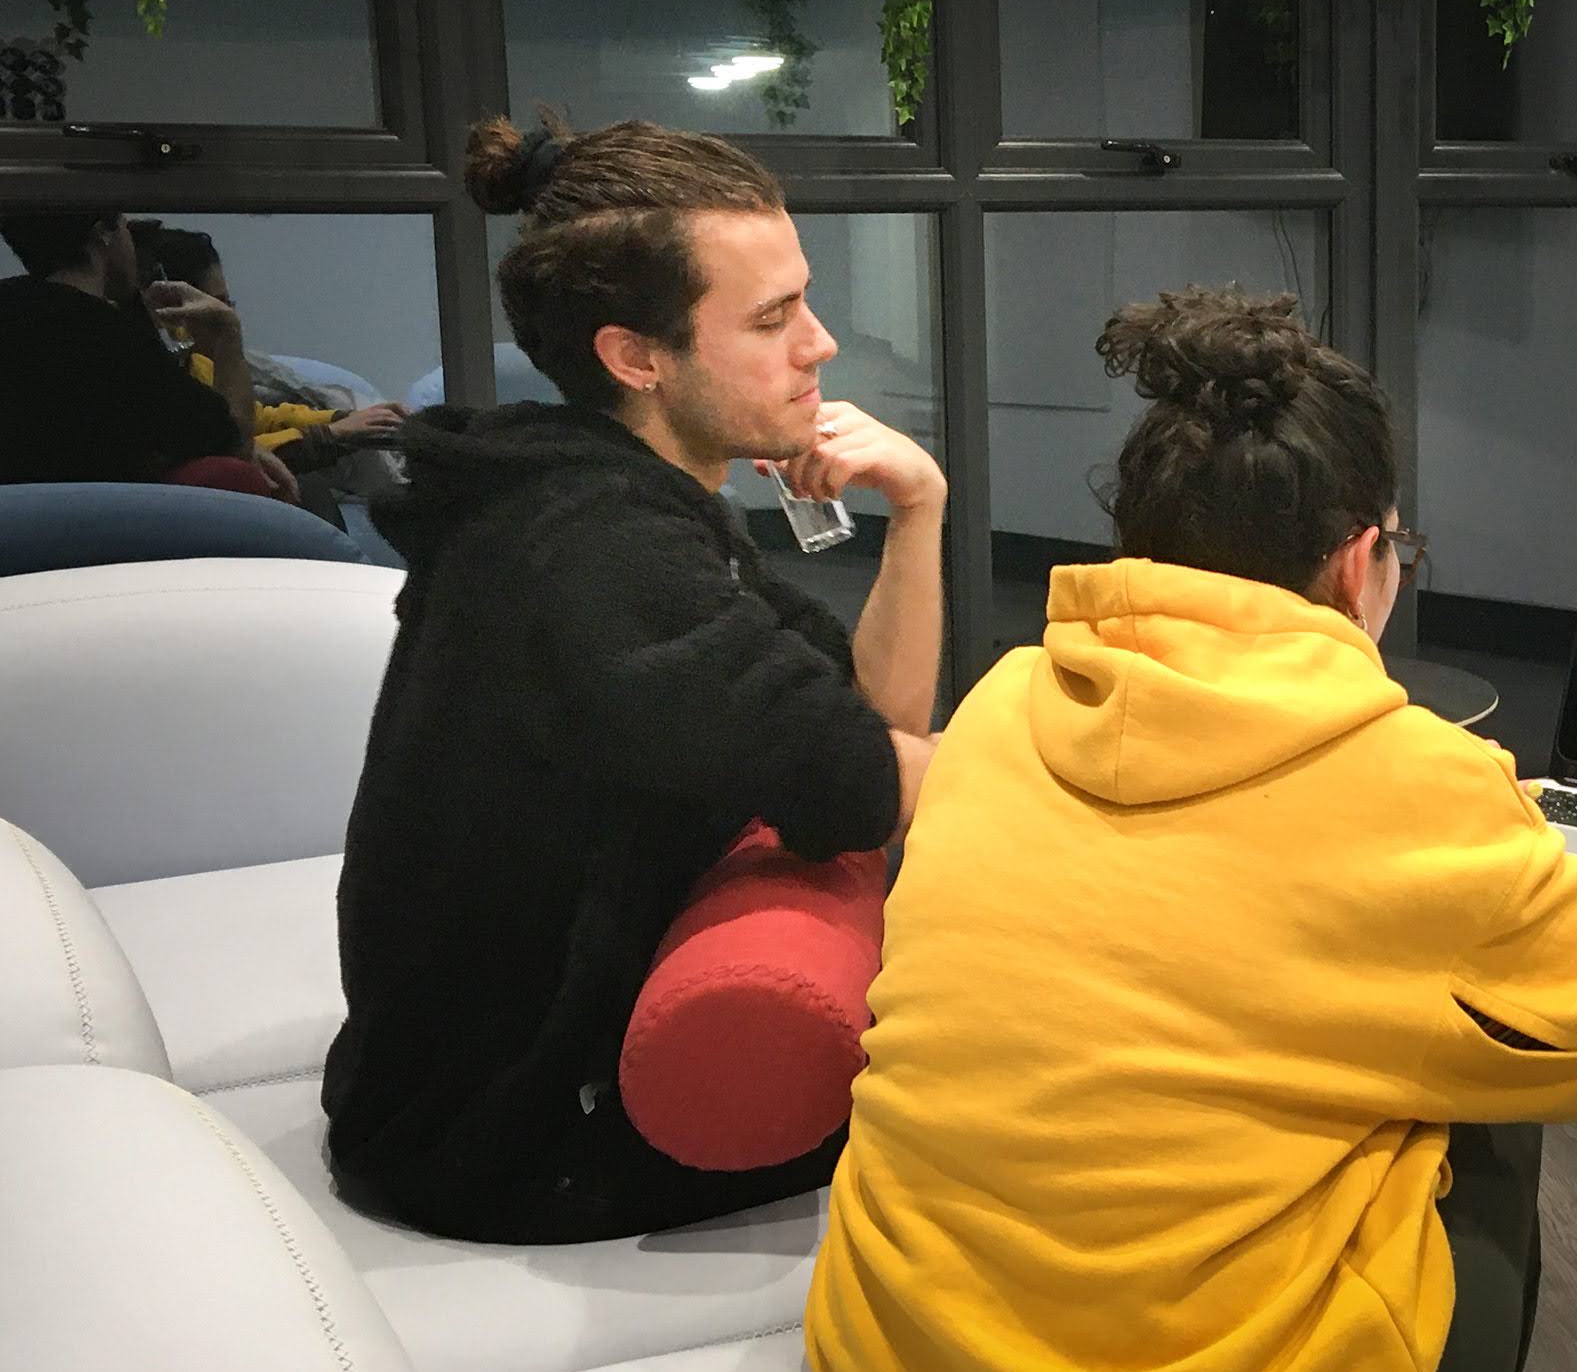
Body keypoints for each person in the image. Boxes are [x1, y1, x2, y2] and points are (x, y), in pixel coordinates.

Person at [805, 287, 1577, 1372]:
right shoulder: (1407, 773)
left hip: (892, 1340)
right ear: (1359, 560)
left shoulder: (1002, 704)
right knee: (1492, 1090)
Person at [322, 113, 945, 1244]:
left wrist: (919, 513)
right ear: (635, 356)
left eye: (803, 301)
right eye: (771, 319)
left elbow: (864, 727)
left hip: (480, 1087)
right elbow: (871, 775)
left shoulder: (611, 495)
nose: (821, 344)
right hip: (510, 1137)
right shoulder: (590, 550)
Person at [0, 210, 288, 496]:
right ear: (104, 233)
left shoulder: (16, 310)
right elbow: (234, 444)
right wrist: (227, 331)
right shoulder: (110, 337)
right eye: (124, 224)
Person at [128, 220, 406, 491]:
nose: (230, 315)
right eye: (220, 304)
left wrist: (342, 417)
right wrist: (332, 435)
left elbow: (261, 418)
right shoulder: (149, 382)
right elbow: (231, 453)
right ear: (172, 306)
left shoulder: (195, 366)